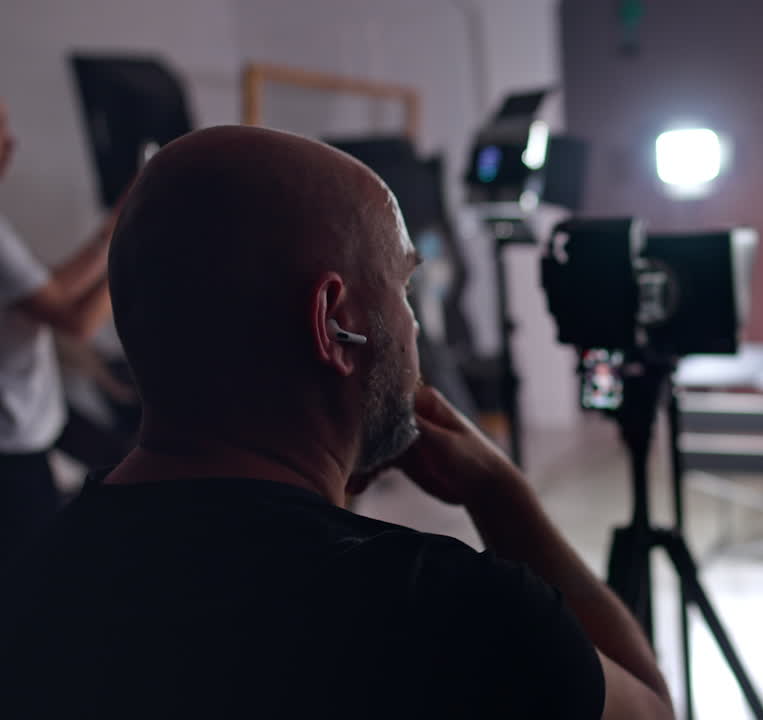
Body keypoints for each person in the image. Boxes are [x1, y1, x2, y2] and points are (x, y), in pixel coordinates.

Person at [0, 126, 674, 720]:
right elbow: (649, 711)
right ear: (334, 321)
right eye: (403, 288)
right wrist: (502, 495)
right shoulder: (456, 617)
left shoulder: (36, 582)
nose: (412, 326)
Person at [0, 100, 116, 564]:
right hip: (12, 451)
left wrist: (114, 227)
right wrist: (140, 235)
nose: (12, 142)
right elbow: (77, 320)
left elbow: (47, 290)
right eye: (0, 127)